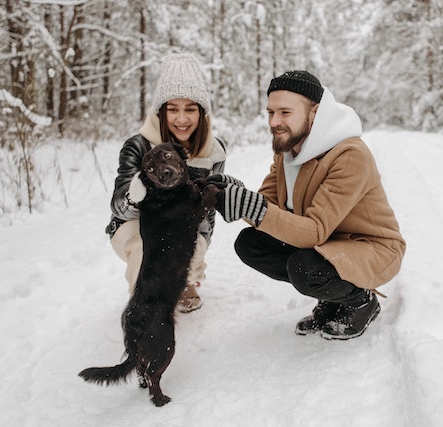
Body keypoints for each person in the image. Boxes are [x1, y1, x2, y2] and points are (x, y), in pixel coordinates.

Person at [208, 70, 406, 340]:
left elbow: (314, 231)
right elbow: (266, 206)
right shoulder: (288, 151)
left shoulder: (349, 155)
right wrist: (235, 193)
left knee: (305, 268)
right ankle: (331, 297)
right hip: (327, 244)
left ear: (314, 113)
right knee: (251, 243)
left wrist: (251, 207)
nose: (274, 122)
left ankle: (360, 301)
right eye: (270, 112)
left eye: (285, 113)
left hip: (369, 247)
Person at [106, 53, 227, 313]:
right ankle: (145, 305)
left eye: (190, 109)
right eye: (172, 109)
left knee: (189, 249)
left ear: (202, 112)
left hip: (183, 227)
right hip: (135, 227)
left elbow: (208, 216)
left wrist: (198, 252)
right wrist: (137, 192)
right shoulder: (138, 146)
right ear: (161, 112)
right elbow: (118, 207)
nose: (181, 119)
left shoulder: (214, 152)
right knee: (146, 248)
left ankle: (183, 282)